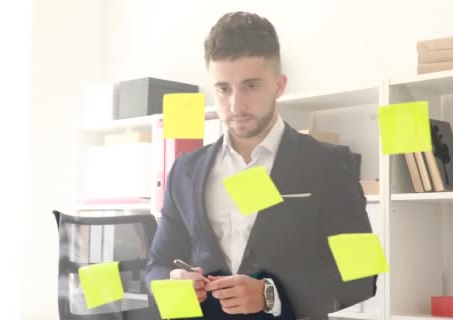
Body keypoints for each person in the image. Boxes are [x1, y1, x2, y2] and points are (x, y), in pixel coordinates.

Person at [146, 11, 376, 320]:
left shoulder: (330, 165)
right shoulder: (185, 172)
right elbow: (157, 266)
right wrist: (171, 283)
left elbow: (363, 277)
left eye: (251, 86)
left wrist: (270, 294)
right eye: (223, 89)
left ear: (279, 85)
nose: (236, 105)